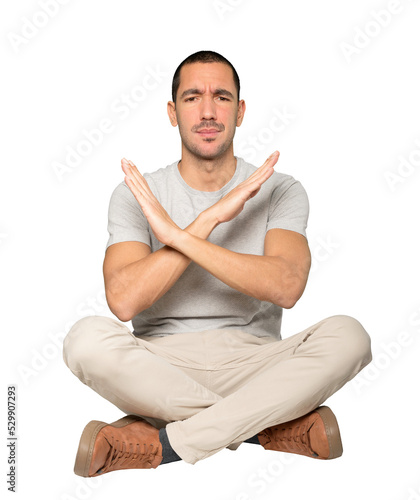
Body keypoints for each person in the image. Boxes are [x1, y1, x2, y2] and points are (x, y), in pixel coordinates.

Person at [63, 50, 372, 477]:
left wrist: (176, 236)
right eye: (192, 98)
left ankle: (166, 443)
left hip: (258, 364)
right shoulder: (137, 193)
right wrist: (208, 220)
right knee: (84, 340)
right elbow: (123, 301)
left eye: (221, 97)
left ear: (240, 111)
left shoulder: (279, 188)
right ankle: (262, 427)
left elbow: (286, 286)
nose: (208, 111)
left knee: (350, 336)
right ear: (173, 113)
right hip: (160, 368)